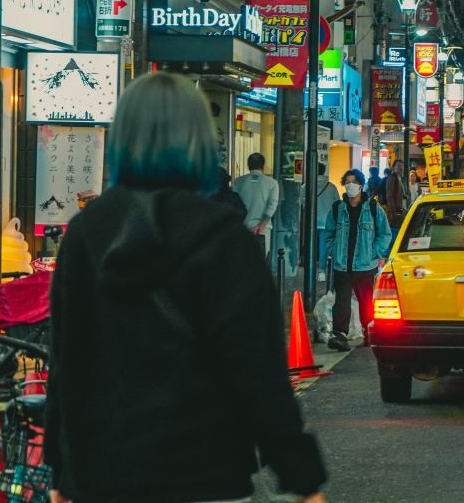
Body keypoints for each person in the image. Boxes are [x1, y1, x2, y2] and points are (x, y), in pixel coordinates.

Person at [44, 72, 328, 503]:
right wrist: (302, 478)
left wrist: (61, 473)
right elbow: (257, 371)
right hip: (205, 472)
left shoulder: (85, 233)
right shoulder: (224, 238)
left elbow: (66, 362)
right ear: (198, 143)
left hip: (102, 476)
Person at [323, 168, 394, 352]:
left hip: (364, 265)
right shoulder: (337, 208)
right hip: (342, 264)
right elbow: (329, 234)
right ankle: (340, 335)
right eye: (347, 182)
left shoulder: (372, 208)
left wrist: (374, 252)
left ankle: (369, 334)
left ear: (361, 185)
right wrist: (333, 250)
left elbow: (384, 234)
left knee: (365, 302)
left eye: (353, 182)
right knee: (342, 302)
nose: (350, 185)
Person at [233, 152, 280, 258]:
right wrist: (261, 225)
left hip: (241, 228)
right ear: (263, 166)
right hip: (262, 230)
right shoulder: (272, 183)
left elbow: (233, 205)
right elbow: (272, 205)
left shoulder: (237, 182)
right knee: (259, 263)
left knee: (242, 261)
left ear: (248, 166)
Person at [314, 163, 341, 277]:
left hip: (311, 221)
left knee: (310, 246)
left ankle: (309, 271)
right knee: (323, 247)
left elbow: (300, 199)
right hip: (326, 222)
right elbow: (338, 203)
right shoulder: (332, 187)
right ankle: (322, 272)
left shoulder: (309, 185)